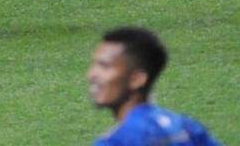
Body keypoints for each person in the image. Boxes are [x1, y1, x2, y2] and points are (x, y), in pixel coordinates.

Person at [88, 27, 223, 145]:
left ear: (136, 79)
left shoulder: (118, 141)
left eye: (104, 66)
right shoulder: (186, 127)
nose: (91, 74)